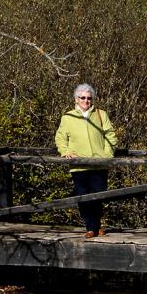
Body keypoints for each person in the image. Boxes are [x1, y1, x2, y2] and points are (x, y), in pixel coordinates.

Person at [55, 83, 117, 238]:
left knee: (99, 195)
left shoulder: (101, 114)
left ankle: (96, 226)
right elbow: (60, 138)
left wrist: (107, 155)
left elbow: (111, 136)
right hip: (78, 165)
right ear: (76, 99)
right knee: (83, 197)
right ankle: (91, 227)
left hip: (99, 164)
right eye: (82, 97)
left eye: (89, 98)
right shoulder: (68, 117)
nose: (86, 100)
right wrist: (66, 152)